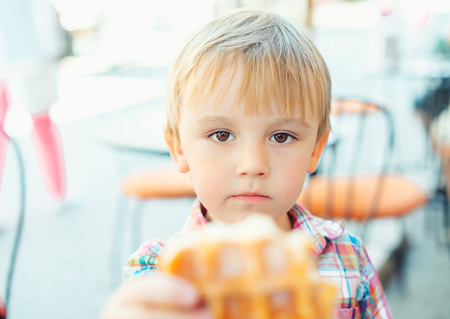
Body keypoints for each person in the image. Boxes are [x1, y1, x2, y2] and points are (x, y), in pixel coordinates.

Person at [102, 9, 392, 319]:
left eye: (281, 137)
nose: (253, 165)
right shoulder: (158, 274)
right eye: (222, 134)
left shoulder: (349, 258)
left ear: (315, 149)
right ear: (179, 148)